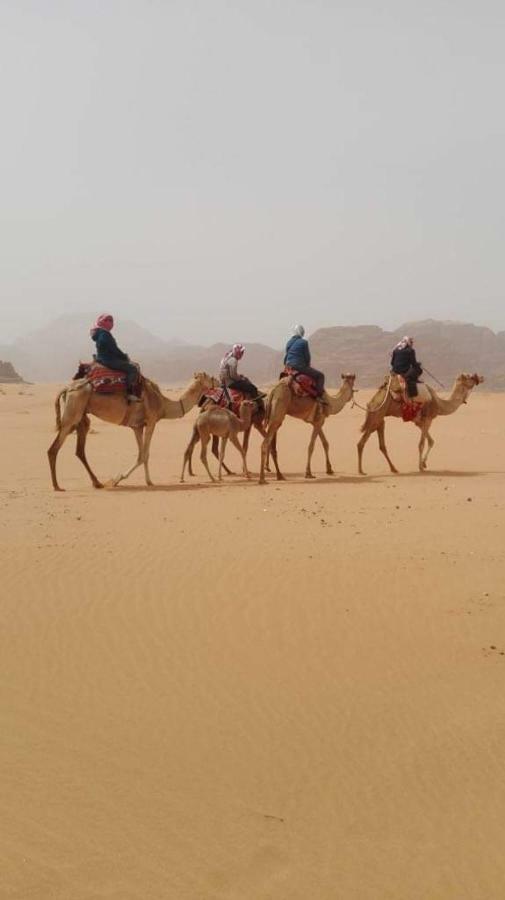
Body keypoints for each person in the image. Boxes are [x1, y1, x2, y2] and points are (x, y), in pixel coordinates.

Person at [90, 314, 141, 402]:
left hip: (102, 358)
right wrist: (124, 356)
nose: (110, 323)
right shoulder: (104, 334)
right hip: (108, 359)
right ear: (102, 322)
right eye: (108, 320)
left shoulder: (99, 333)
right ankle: (130, 393)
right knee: (132, 369)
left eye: (111, 321)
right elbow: (113, 349)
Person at [284, 325, 325, 396]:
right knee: (320, 376)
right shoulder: (304, 342)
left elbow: (287, 356)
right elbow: (307, 357)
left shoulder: (289, 343)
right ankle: (319, 396)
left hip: (289, 367)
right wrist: (308, 366)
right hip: (299, 366)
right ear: (302, 333)